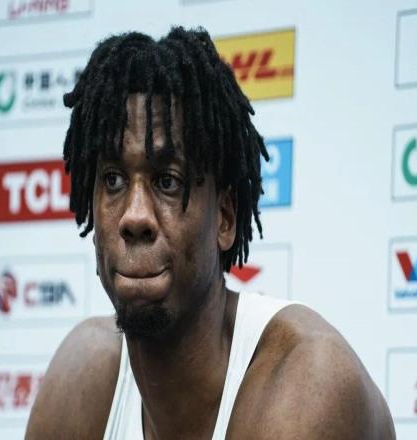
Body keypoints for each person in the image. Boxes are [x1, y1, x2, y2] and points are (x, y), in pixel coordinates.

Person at [26, 27, 395, 439]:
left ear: (224, 217)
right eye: (113, 180)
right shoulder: (82, 380)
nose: (134, 216)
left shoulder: (306, 387)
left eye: (167, 181)